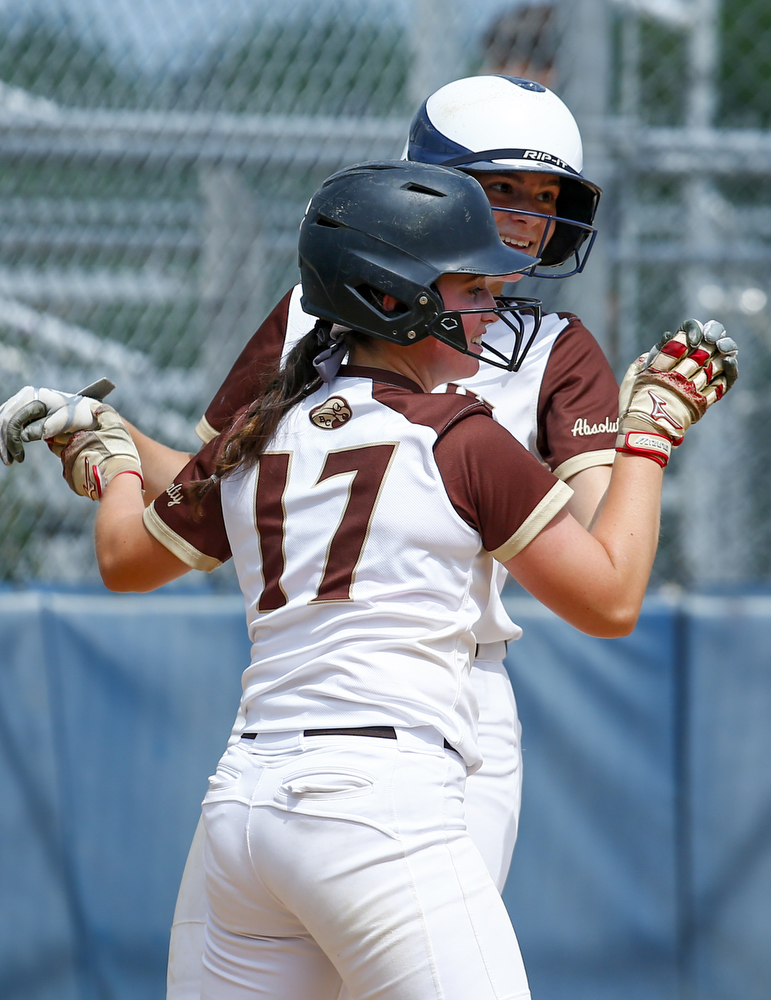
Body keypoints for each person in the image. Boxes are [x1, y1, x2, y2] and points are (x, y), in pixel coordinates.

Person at [53, 158, 735, 1000]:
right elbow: (610, 599)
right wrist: (647, 435)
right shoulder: (462, 435)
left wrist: (111, 459)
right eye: (469, 288)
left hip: (241, 812)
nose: (490, 308)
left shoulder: (259, 434)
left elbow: (124, 562)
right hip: (379, 806)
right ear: (388, 297)